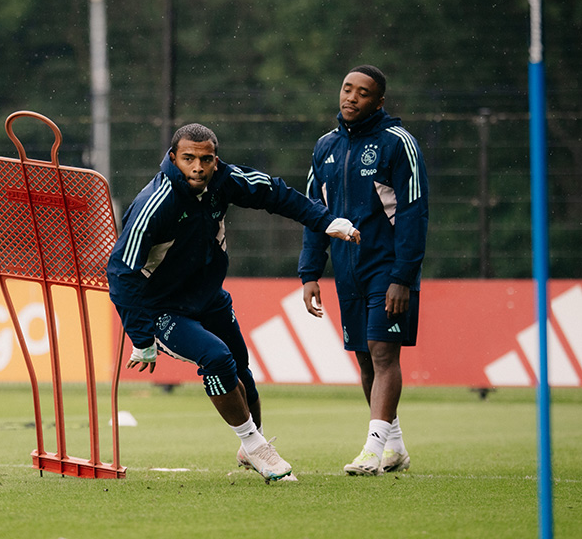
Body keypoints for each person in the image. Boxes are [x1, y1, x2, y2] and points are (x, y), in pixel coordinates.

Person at [107, 122, 360, 483]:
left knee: (242, 371)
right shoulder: (156, 203)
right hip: (161, 307)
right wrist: (141, 336)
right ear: (173, 158)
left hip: (209, 299)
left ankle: (250, 444)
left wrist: (327, 220)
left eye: (206, 159)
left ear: (215, 159)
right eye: (189, 159)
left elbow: (275, 193)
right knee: (217, 359)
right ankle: (257, 448)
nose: (198, 167)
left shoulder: (223, 179)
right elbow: (120, 272)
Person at [298, 65, 429, 476]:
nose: (351, 97)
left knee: (383, 353)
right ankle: (395, 448)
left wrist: (403, 276)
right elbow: (313, 213)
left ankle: (371, 451)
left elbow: (413, 213)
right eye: (347, 89)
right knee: (364, 359)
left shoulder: (397, 143)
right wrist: (310, 273)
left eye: (363, 93)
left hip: (387, 268)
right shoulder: (325, 147)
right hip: (347, 270)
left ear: (379, 102)